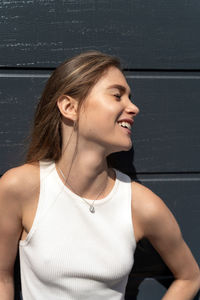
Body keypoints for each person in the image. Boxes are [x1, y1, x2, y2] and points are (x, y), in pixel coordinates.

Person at [0, 51, 199, 300]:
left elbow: (190, 277)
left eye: (129, 97)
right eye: (117, 95)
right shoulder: (20, 187)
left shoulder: (140, 204)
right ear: (69, 107)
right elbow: (2, 277)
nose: (133, 108)